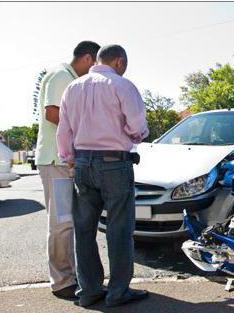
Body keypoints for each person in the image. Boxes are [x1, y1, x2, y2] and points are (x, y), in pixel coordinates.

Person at [57, 44, 149, 307]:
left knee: (84, 231)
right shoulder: (122, 85)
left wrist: (71, 159)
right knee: (119, 229)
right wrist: (137, 134)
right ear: (119, 62)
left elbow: (64, 131)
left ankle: (89, 291)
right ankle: (118, 292)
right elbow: (137, 128)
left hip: (83, 163)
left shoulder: (73, 87)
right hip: (114, 164)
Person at [35, 41, 100, 300]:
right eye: (96, 64)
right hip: (55, 162)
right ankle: (62, 282)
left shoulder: (72, 78)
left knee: (69, 223)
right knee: (61, 223)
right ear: (87, 58)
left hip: (66, 162)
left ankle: (72, 277)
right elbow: (52, 113)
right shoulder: (62, 75)